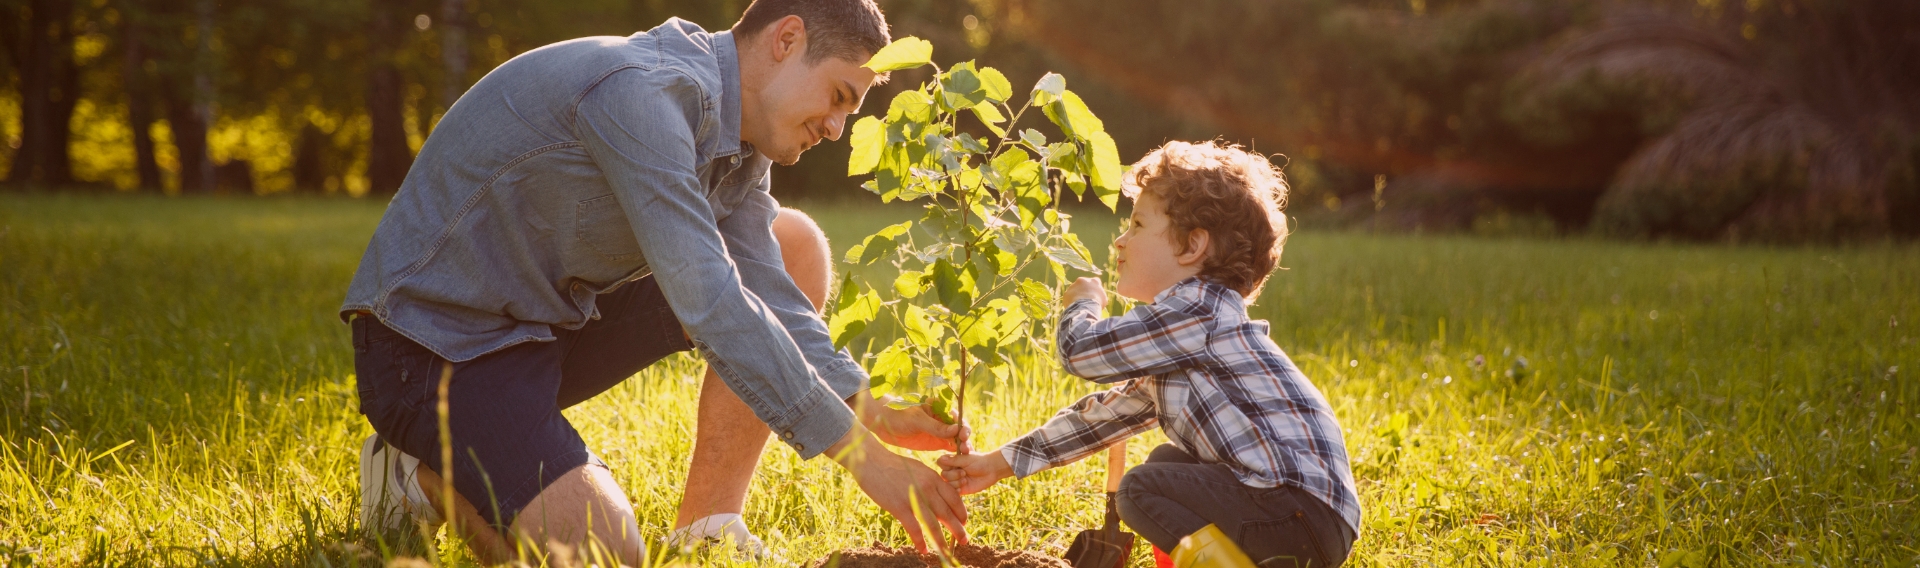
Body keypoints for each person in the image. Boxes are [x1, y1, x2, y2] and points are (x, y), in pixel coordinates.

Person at [341, 1, 968, 563]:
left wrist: (865, 408)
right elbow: (712, 301)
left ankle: (709, 527)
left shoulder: (741, 143)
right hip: (434, 350)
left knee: (793, 243)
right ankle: (416, 475)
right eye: (837, 95)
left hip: (546, 325)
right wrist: (865, 460)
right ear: (787, 39)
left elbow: (767, 287)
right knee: (605, 554)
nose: (836, 128)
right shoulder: (644, 94)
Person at [937, 141, 1360, 567]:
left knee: (1141, 489)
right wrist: (998, 464)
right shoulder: (1185, 338)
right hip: (1306, 517)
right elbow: (1102, 418)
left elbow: (1080, 352)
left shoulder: (1198, 310)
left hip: (1292, 511)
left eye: (1137, 224)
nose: (1120, 241)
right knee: (1165, 464)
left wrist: (1083, 304)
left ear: (1192, 246)